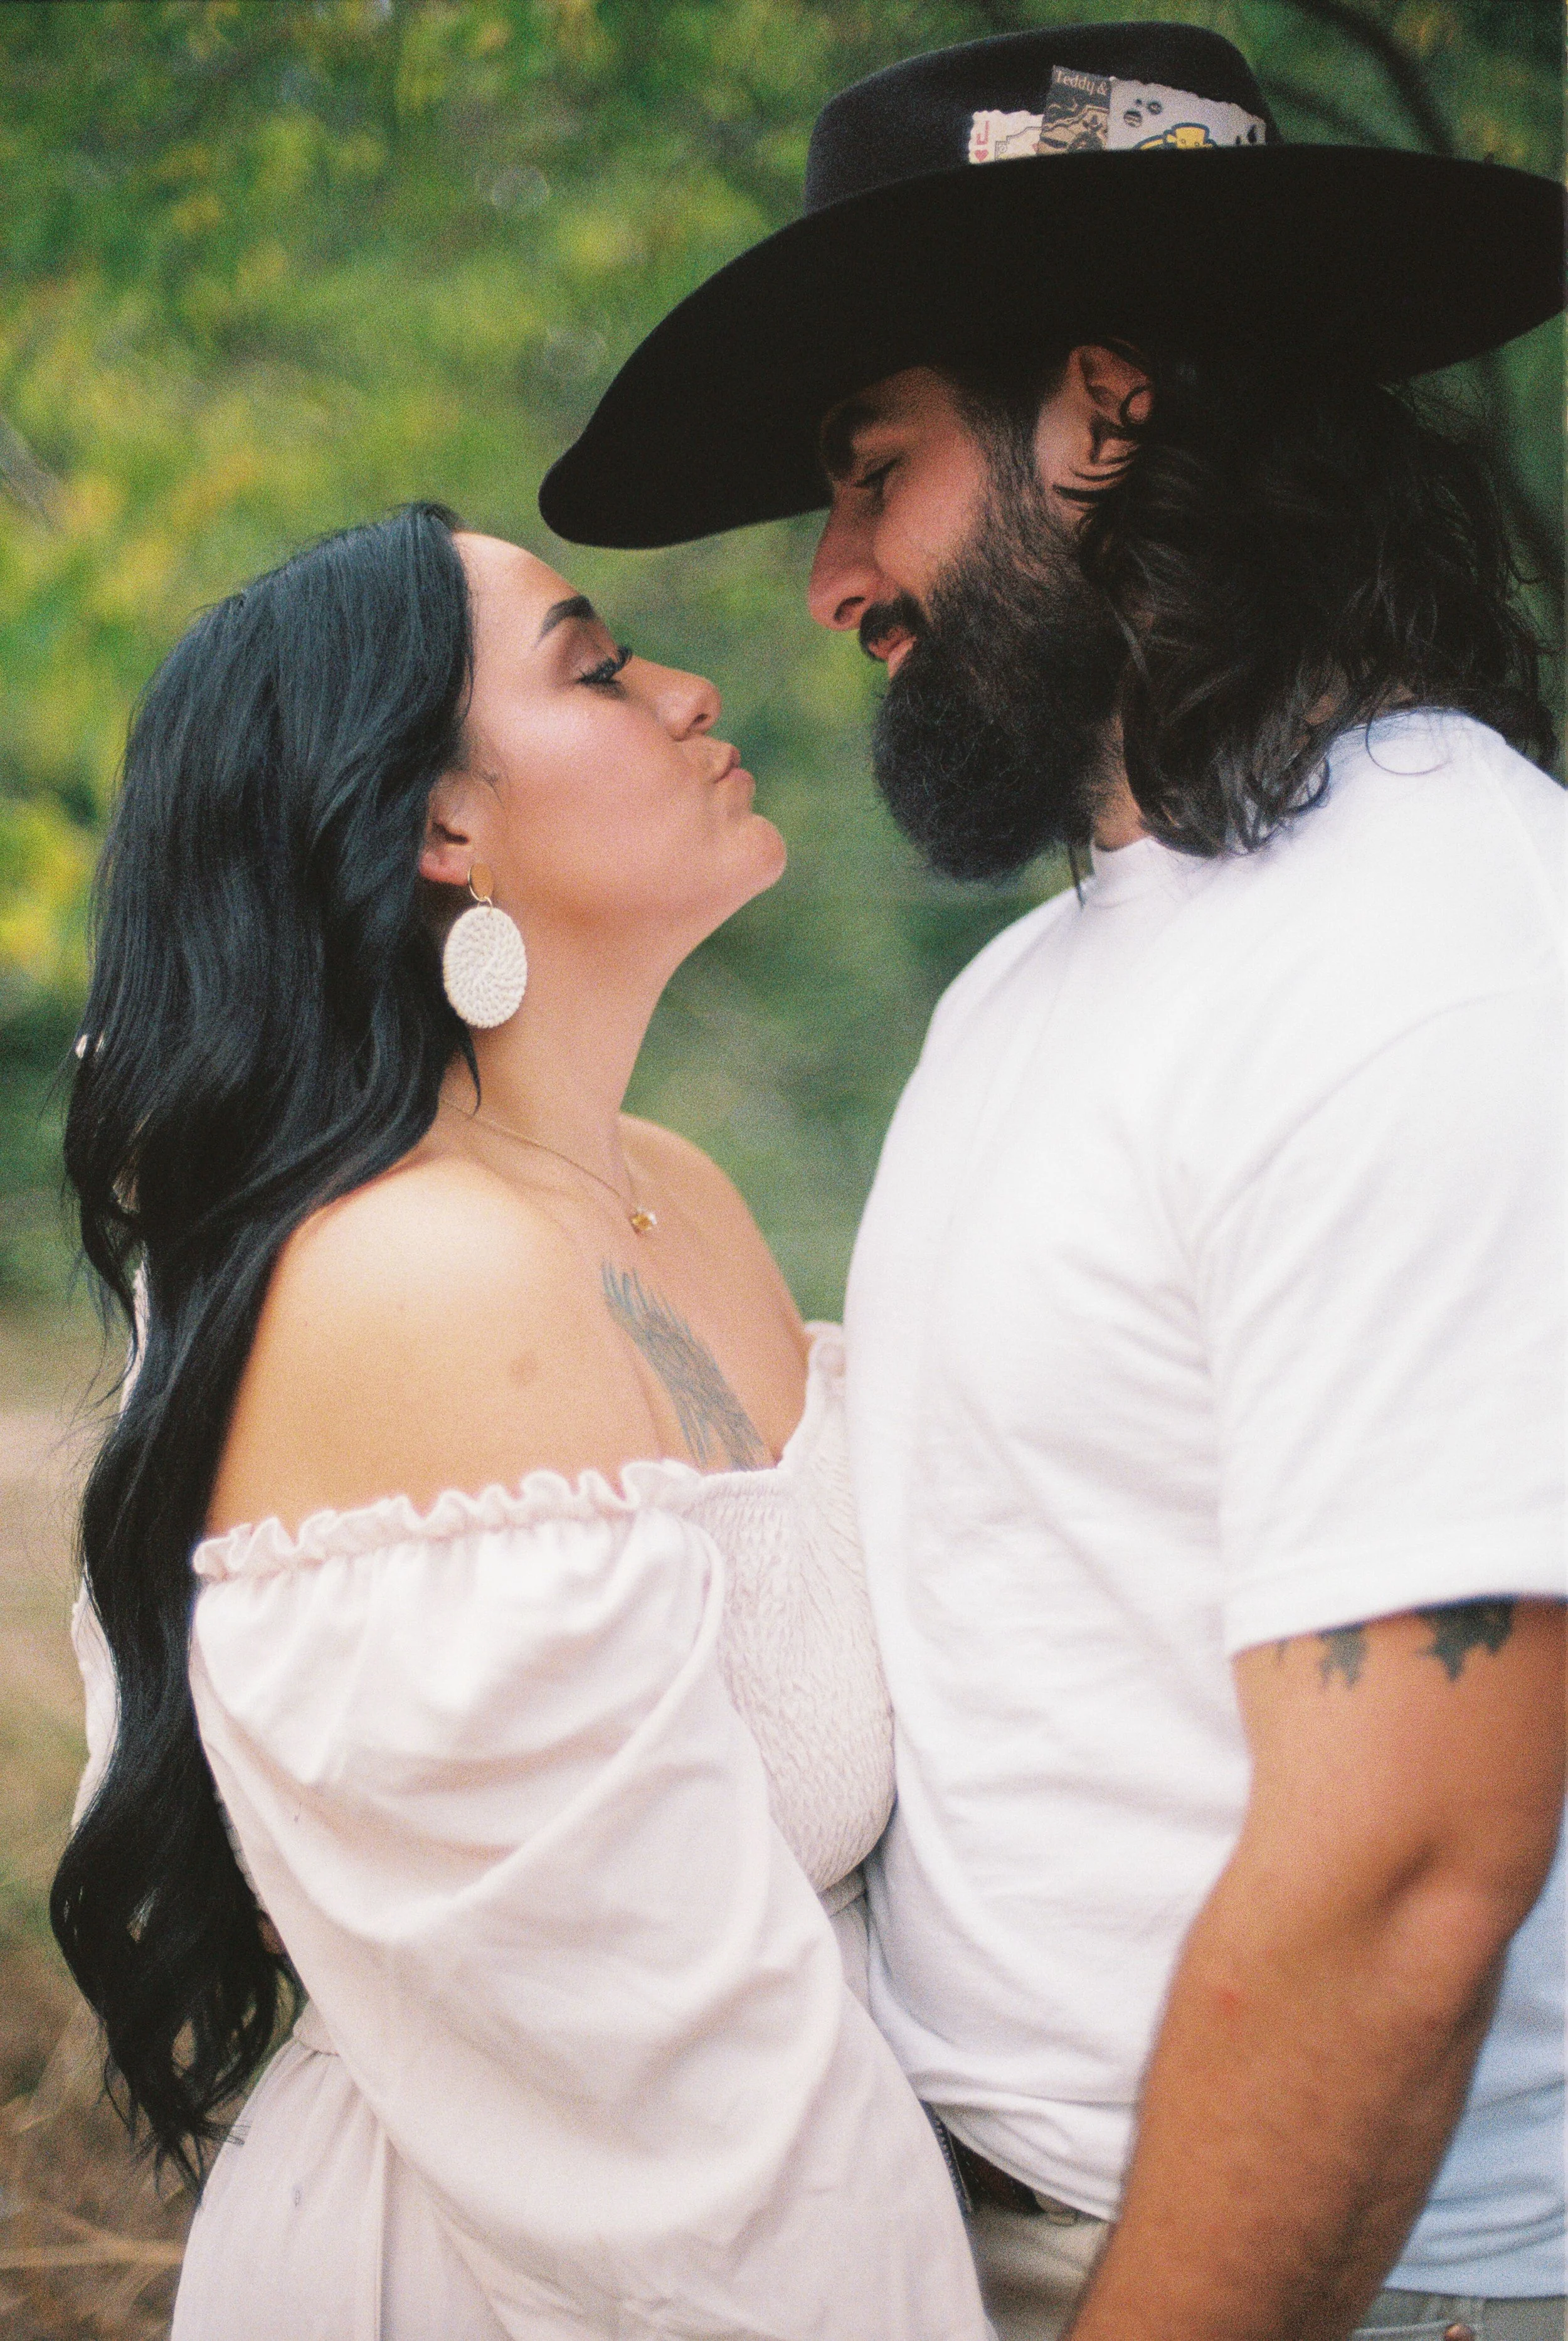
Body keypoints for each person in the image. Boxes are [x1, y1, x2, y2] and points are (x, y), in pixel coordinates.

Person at [540, 23, 1567, 2341]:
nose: (827, 580)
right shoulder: (1048, 977)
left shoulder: (1438, 954)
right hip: (966, 2233)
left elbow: (1410, 1866)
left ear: (1102, 415)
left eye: (868, 473)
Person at [53, 504, 988, 2338]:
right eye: (596, 663)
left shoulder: (675, 1193)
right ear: (439, 825)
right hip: (530, 2266)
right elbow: (670, 2071)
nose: (690, 684)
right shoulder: (420, 1282)